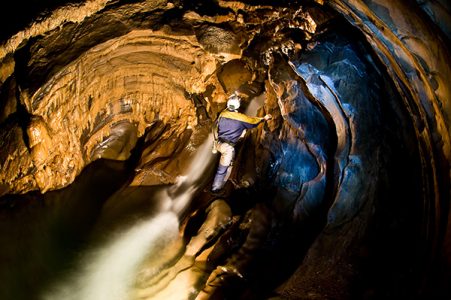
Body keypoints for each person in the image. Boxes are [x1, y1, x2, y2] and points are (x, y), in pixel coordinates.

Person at [211, 94, 272, 193]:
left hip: (219, 143)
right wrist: (264, 118)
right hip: (227, 148)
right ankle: (216, 189)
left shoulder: (223, 113)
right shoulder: (240, 118)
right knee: (222, 170)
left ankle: (223, 184)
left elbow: (215, 126)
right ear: (238, 105)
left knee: (230, 163)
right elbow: (253, 122)